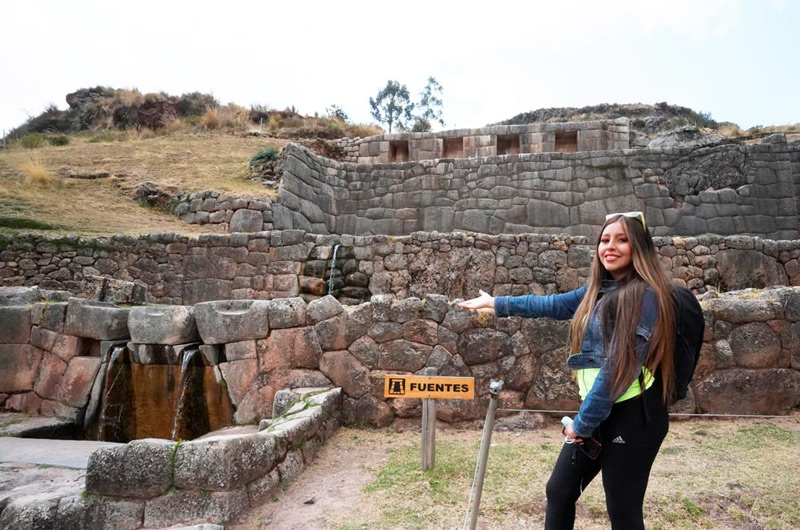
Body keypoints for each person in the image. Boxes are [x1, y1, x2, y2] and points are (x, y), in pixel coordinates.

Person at [459, 211, 677, 530]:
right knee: (559, 491)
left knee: (623, 511)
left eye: (621, 240)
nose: (610, 247)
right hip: (597, 412)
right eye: (604, 240)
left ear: (639, 248)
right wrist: (496, 303)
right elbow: (553, 304)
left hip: (632, 416)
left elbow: (618, 368)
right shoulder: (599, 290)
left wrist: (583, 424)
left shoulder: (643, 296)